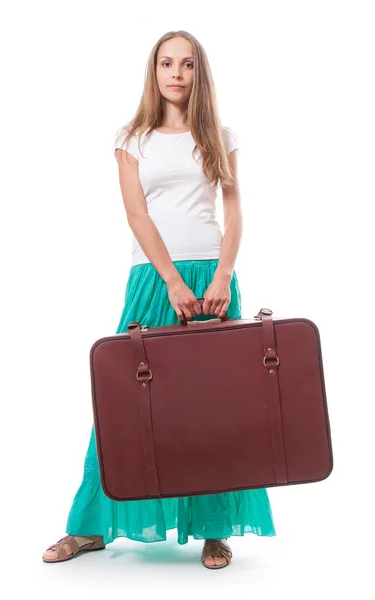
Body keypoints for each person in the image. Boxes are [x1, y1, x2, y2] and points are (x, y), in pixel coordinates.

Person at [42, 29, 276, 570]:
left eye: (187, 64)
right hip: (154, 277)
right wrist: (172, 281)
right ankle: (89, 528)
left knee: (214, 406)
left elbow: (235, 213)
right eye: (166, 63)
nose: (175, 73)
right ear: (154, 71)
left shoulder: (220, 133)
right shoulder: (132, 138)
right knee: (125, 401)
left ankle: (215, 529)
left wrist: (222, 276)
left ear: (199, 73)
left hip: (213, 278)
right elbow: (136, 214)